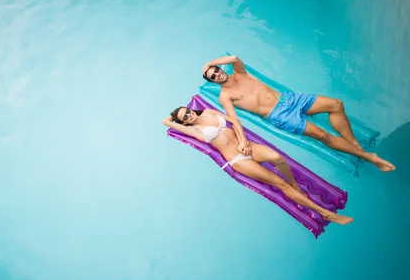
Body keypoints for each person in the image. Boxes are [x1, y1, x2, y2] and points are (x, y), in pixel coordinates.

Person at [162, 106, 354, 225]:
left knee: (278, 158)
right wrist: (175, 119)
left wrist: (244, 142)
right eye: (184, 118)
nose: (188, 116)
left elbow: (234, 122)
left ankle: (294, 185)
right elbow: (165, 121)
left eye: (187, 112)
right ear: (183, 122)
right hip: (238, 159)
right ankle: (325, 214)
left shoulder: (208, 112)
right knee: (280, 185)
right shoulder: (194, 130)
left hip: (247, 146)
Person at [201, 55, 395, 172]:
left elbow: (234, 58)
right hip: (280, 115)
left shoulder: (240, 72)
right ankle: (370, 157)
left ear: (220, 69)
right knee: (322, 135)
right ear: (213, 82)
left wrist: (209, 62)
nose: (217, 74)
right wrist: (242, 141)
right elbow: (233, 119)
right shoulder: (225, 97)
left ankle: (353, 144)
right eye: (213, 76)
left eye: (216, 71)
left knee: (336, 104)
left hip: (289, 99)